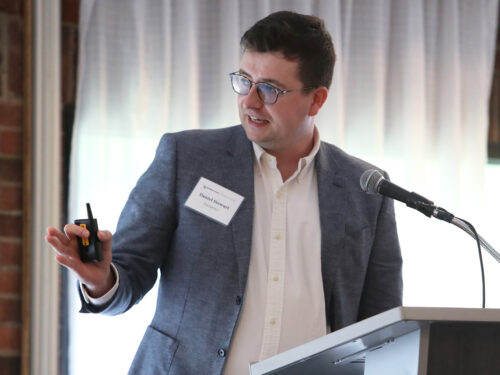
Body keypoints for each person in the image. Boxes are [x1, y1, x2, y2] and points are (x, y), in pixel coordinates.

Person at [46, 10, 402, 375]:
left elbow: (384, 326)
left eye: (269, 89)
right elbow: (129, 271)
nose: (249, 101)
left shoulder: (366, 189)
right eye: (244, 80)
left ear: (316, 100)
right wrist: (101, 280)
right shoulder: (186, 159)